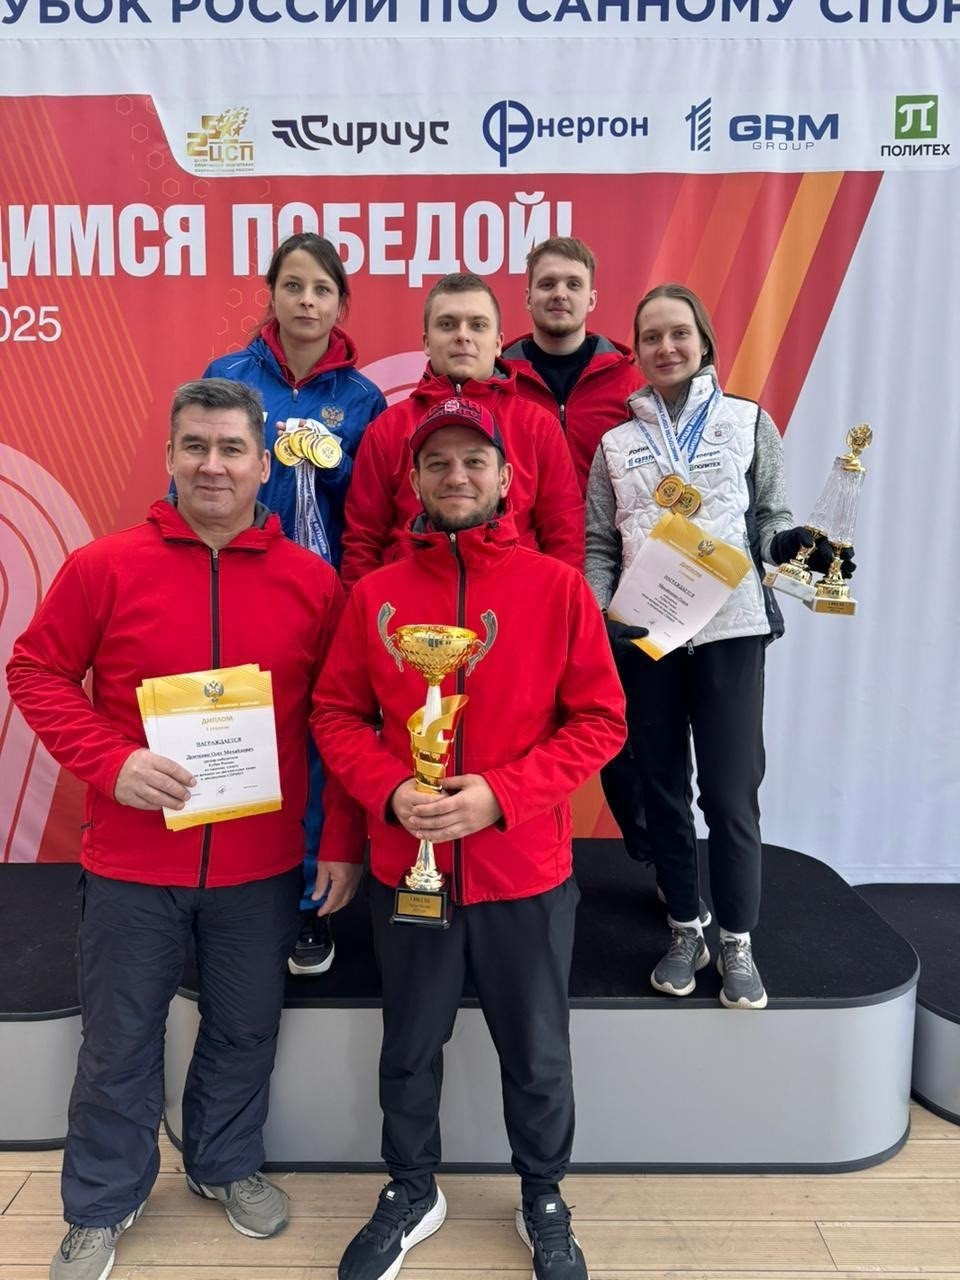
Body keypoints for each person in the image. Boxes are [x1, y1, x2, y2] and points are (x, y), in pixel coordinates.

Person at [6, 380, 363, 1280]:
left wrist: (339, 838)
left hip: (262, 867)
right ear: (168, 457)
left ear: (262, 465)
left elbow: (342, 717)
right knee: (118, 1041)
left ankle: (223, 1163)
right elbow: (36, 671)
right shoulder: (104, 567)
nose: (212, 465)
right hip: (132, 864)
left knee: (245, 1030)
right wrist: (111, 760)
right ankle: (101, 1202)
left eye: (231, 448)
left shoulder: (312, 583)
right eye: (195, 446)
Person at [313, 398, 626, 1280]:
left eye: (473, 462)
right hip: (407, 871)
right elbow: (335, 713)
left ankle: (543, 1194)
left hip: (523, 869)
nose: (457, 476)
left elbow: (601, 721)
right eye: (438, 463)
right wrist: (388, 791)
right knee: (410, 1047)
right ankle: (412, 1188)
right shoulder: (374, 596)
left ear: (505, 477)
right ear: (413, 481)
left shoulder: (558, 588)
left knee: (537, 1052)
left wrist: (501, 795)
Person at [584, 284, 855, 1011]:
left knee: (732, 795)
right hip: (648, 637)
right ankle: (685, 927)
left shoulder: (748, 421)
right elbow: (598, 544)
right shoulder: (616, 444)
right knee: (662, 789)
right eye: (650, 337)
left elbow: (771, 517)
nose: (665, 347)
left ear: (703, 340)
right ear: (636, 352)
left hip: (732, 632)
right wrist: (604, 612)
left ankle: (737, 939)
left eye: (679, 333)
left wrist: (787, 545)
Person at [203, 232, 385, 977]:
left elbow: (371, 507)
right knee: (237, 730)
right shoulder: (230, 376)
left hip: (325, 595)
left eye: (322, 289)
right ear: (272, 293)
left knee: (317, 744)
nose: (307, 301)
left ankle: (311, 904)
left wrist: (331, 463)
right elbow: (195, 477)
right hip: (242, 584)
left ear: (341, 303)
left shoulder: (361, 397)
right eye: (294, 286)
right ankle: (231, 894)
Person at [501, 236, 669, 887]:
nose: (559, 294)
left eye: (572, 283)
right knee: (513, 732)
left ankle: (664, 869)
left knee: (632, 737)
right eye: (547, 283)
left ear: (593, 297)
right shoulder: (497, 380)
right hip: (517, 590)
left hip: (617, 588)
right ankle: (515, 871)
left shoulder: (630, 384)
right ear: (527, 296)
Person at [339, 272, 583, 590]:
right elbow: (362, 541)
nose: (462, 336)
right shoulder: (387, 428)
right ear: (426, 341)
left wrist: (556, 608)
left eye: (477, 325)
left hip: (515, 600)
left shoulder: (538, 426)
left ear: (499, 343)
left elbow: (565, 535)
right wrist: (367, 613)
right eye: (447, 324)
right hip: (411, 607)